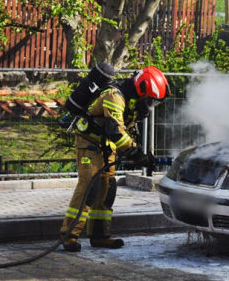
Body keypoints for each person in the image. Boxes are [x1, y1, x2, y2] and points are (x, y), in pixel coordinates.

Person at [61, 66, 170, 252]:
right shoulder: (115, 96)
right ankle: (69, 235)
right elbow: (115, 131)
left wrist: (139, 153)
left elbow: (123, 130)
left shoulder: (131, 98)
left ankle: (100, 236)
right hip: (89, 143)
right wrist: (136, 154)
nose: (150, 106)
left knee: (107, 188)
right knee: (89, 186)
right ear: (142, 90)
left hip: (105, 146)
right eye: (150, 101)